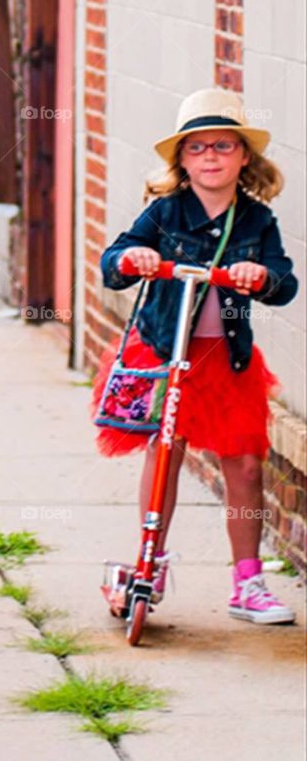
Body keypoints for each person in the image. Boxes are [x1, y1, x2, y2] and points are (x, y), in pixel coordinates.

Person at [93, 87, 298, 624]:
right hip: (165, 350)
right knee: (166, 453)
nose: (211, 157)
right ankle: (150, 561)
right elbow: (113, 260)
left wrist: (263, 278)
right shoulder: (165, 213)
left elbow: (283, 281)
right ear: (182, 159)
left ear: (243, 157)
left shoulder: (256, 222)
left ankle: (247, 581)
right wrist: (135, 256)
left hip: (225, 360)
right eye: (198, 148)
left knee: (246, 466)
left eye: (223, 146)